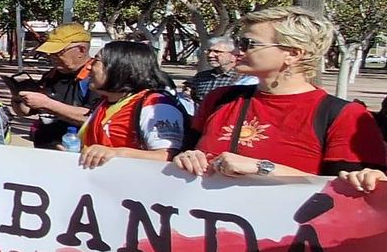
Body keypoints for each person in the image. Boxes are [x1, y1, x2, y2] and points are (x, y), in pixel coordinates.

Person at [175, 7, 386, 179]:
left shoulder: (344, 115)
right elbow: (185, 151)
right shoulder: (220, 98)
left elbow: (348, 193)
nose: (237, 51)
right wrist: (187, 157)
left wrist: (263, 168)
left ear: (293, 54)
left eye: (248, 44)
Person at [75, 41, 187, 169]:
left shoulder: (156, 105)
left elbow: (167, 156)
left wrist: (116, 153)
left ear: (119, 67)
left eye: (96, 61)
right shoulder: (105, 102)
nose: (89, 67)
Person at [13, 23, 96, 149]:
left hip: (77, 156)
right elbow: (26, 112)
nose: (52, 57)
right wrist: (18, 98)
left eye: (58, 52)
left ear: (81, 50)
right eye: (50, 53)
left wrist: (47, 104)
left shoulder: (97, 78)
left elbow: (94, 118)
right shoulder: (51, 75)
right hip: (45, 150)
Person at [184, 36, 255, 108]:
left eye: (217, 52)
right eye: (209, 51)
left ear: (233, 56)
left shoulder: (245, 79)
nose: (210, 55)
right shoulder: (201, 77)